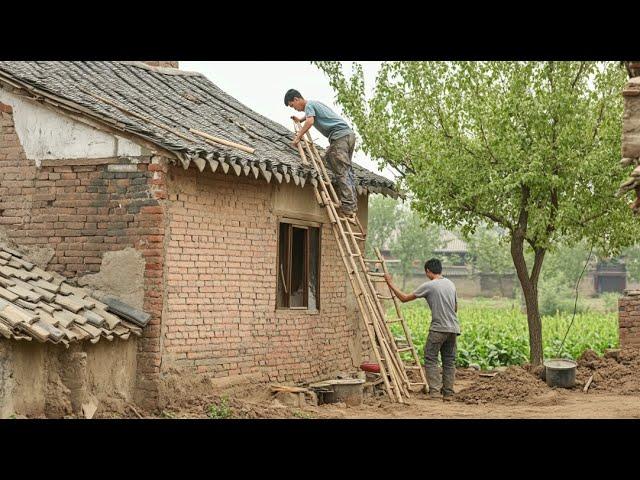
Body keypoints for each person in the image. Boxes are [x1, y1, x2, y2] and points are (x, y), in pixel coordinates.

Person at [384, 258, 460, 401]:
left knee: (430, 358)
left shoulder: (430, 285)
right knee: (449, 361)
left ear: (428, 271)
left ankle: (435, 393)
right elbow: (455, 308)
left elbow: (404, 298)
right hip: (454, 328)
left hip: (438, 328)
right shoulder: (451, 284)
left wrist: (390, 283)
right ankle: (448, 392)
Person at [284, 88, 358, 217]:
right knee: (340, 166)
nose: (294, 108)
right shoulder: (314, 105)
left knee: (341, 170)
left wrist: (298, 137)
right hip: (347, 136)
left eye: (292, 105)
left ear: (296, 99)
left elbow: (310, 121)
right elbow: (310, 118)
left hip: (340, 137)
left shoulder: (309, 105)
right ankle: (352, 204)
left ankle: (347, 205)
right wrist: (299, 120)